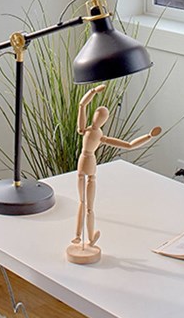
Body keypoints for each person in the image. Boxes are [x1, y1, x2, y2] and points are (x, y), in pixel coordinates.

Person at [68, 85, 161, 264]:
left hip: (90, 165)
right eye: (97, 115)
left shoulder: (100, 135)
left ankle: (89, 238)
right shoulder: (85, 129)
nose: (97, 119)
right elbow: (82, 105)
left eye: (101, 117)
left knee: (89, 206)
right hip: (82, 164)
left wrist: (148, 136)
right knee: (81, 202)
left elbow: (128, 145)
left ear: (104, 121)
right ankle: (78, 235)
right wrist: (93, 91)